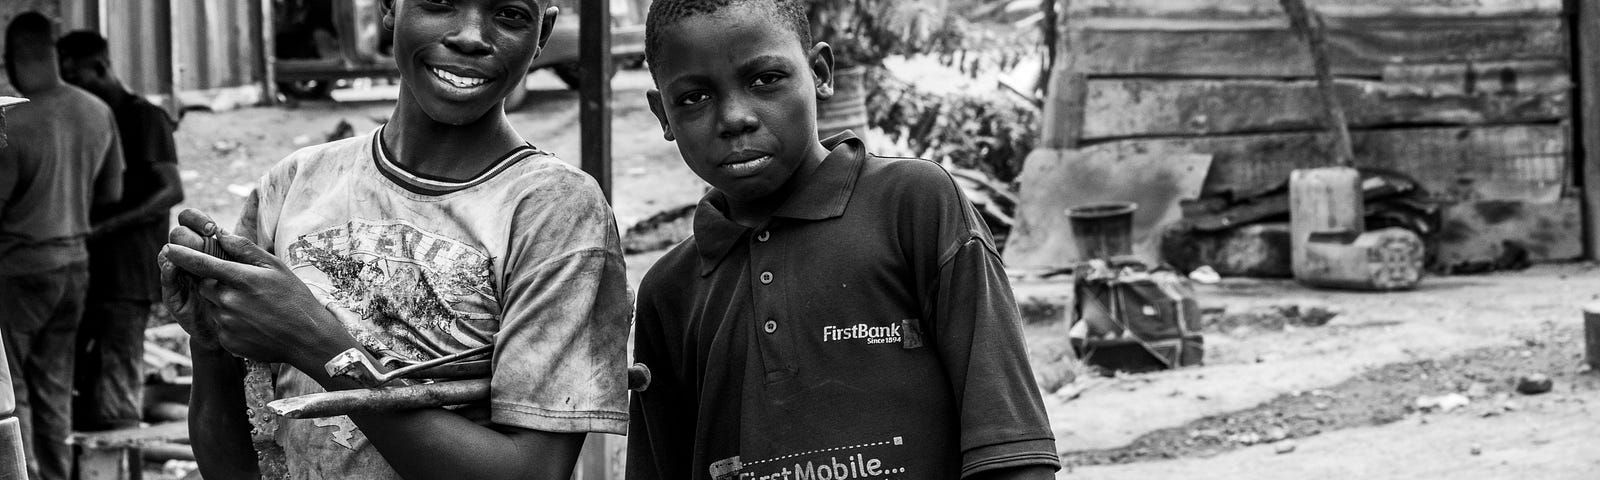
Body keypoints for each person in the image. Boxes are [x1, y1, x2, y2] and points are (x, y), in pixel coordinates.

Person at [157, 1, 631, 479]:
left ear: (542, 32)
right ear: (388, 6)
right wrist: (212, 343)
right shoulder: (298, 183)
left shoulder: (553, 208)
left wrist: (316, 344)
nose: (470, 35)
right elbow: (243, 464)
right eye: (441, 3)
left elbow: (536, 471)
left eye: (509, 14)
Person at [626, 1, 1060, 479]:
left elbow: (1011, 450)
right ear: (661, 114)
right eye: (693, 98)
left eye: (765, 79)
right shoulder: (671, 291)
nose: (735, 118)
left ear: (820, 73)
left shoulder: (912, 206)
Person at [0, 11, 125, 480]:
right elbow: (111, 194)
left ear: (12, 59)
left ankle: (22, 473)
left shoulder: (13, 121)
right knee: (55, 383)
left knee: (13, 390)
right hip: (75, 263)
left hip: (19, 267)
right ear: (53, 54)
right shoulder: (95, 110)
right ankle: (55, 473)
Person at [56, 30, 186, 433]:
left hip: (126, 272)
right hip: (90, 269)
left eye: (74, 76)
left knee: (115, 392)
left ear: (99, 68)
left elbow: (170, 189)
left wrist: (100, 228)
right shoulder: (91, 118)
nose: (70, 87)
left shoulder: (141, 116)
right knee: (89, 383)